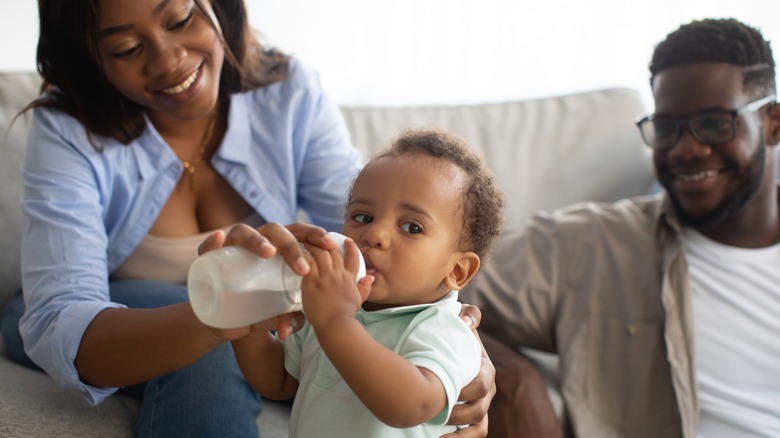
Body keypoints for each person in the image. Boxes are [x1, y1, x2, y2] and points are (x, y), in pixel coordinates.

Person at [0, 0, 494, 436]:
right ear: (91, 56)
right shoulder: (70, 130)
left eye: (179, 18)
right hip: (114, 316)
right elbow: (56, 318)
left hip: (250, 305)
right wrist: (223, 320)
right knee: (216, 337)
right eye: (128, 48)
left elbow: (370, 240)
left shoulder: (287, 93)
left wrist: (462, 351)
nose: (169, 60)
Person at [463, 18, 780, 437]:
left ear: (773, 123)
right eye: (666, 128)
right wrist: (515, 380)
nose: (687, 149)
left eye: (715, 123)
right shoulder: (591, 244)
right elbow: (418, 285)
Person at [229, 129, 504, 436]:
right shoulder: (327, 303)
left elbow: (410, 406)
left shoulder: (444, 329)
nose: (374, 235)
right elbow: (279, 381)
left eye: (411, 227)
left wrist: (335, 322)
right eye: (363, 217)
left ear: (457, 271)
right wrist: (249, 331)